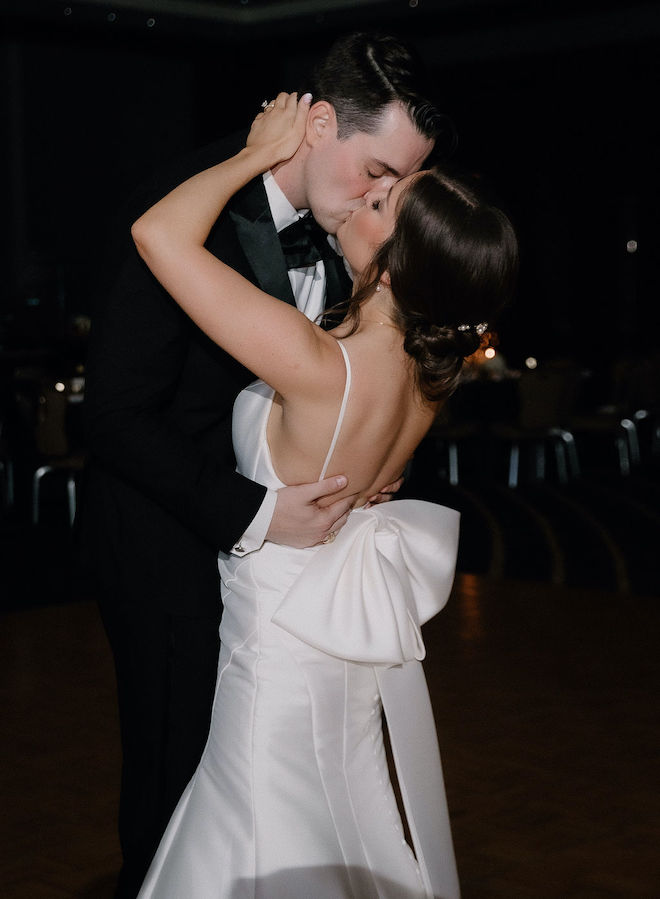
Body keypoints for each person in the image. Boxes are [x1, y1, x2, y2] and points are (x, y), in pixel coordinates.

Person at [81, 33, 448, 898]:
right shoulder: (185, 205)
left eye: (398, 186)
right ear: (317, 124)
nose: (383, 202)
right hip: (165, 536)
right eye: (377, 172)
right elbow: (115, 417)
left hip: (288, 578)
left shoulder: (352, 239)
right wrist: (255, 514)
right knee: (177, 784)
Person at [131, 93, 518, 898]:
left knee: (258, 844)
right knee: (346, 820)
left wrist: (254, 154)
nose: (364, 197)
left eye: (383, 201)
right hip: (341, 674)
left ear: (398, 260)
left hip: (273, 666)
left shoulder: (315, 363)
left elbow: (156, 235)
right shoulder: (426, 374)